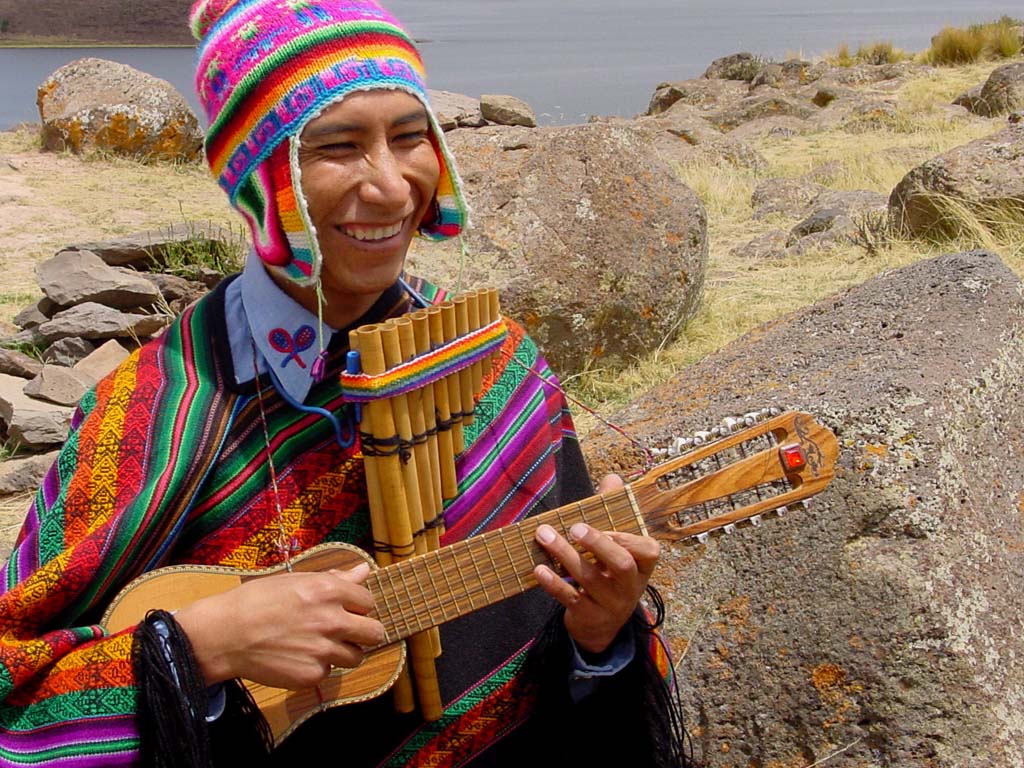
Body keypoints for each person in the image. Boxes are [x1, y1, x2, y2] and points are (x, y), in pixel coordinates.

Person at [0, 1, 690, 766]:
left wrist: (600, 637)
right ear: (261, 178)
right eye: (337, 146)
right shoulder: (153, 413)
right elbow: (15, 691)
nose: (392, 188)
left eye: (409, 136)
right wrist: (198, 648)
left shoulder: (497, 363)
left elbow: (560, 645)